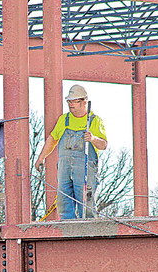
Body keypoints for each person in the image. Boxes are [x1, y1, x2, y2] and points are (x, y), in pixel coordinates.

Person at [34, 84, 107, 219]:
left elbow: (103, 145)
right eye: (69, 101)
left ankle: (88, 229)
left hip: (84, 167)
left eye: (74, 101)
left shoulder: (94, 120)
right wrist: (41, 158)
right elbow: (52, 139)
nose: (71, 104)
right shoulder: (64, 120)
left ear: (84, 102)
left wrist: (92, 138)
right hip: (65, 167)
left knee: (85, 199)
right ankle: (67, 228)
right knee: (64, 197)